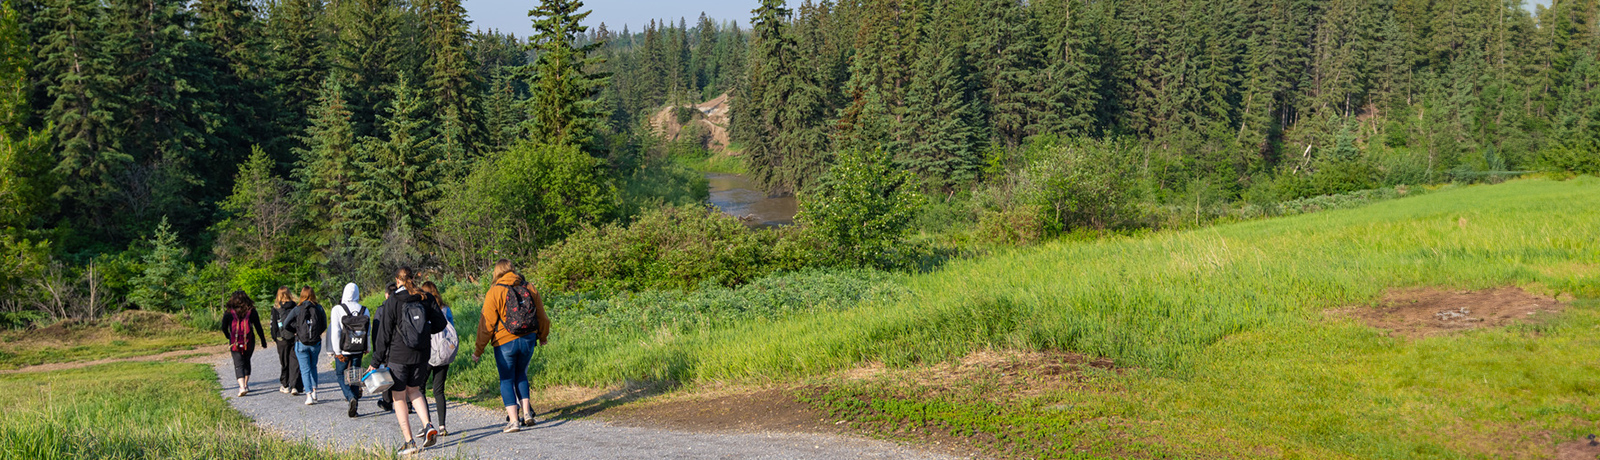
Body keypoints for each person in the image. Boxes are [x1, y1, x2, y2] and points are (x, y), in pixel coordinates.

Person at [370, 268, 446, 455]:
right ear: (413, 278)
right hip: (421, 354)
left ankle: (409, 441)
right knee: (415, 390)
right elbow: (441, 323)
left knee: (399, 396)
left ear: (398, 281)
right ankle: (428, 425)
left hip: (398, 355)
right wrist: (423, 333)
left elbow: (384, 334)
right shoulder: (426, 298)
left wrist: (376, 360)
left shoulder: (393, 301)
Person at [471, 259, 549, 433]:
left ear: (497, 272)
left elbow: (487, 324)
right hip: (529, 338)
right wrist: (543, 336)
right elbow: (542, 316)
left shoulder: (494, 291)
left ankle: (514, 421)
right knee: (521, 374)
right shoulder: (529, 287)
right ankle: (527, 413)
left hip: (505, 341)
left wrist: (478, 350)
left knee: (506, 379)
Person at [418, 281, 456, 436]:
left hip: (428, 353)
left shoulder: (423, 308)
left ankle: (428, 424)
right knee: (439, 390)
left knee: (420, 389)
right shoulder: (446, 309)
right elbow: (452, 330)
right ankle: (442, 426)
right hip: (444, 353)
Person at [327, 282, 369, 418]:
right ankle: (355, 407)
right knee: (356, 377)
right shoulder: (364, 309)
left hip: (344, 350)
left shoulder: (337, 309)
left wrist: (337, 351)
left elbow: (336, 332)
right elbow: (367, 332)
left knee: (340, 375)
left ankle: (350, 397)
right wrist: (367, 347)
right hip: (358, 348)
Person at [284, 286, 328, 406]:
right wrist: (317, 333)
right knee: (313, 366)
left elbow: (286, 324)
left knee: (305, 369)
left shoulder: (297, 309)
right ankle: (315, 392)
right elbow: (324, 324)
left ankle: (308, 395)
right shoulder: (319, 308)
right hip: (315, 343)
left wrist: (296, 331)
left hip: (301, 342)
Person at [220, 291, 267, 397]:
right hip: (249, 341)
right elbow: (258, 326)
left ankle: (241, 387)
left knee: (238, 364)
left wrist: (228, 336)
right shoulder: (252, 311)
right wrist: (263, 340)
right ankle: (246, 385)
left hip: (234, 342)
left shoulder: (229, 312)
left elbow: (223, 326)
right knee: (246, 361)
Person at [270, 286, 303, 395]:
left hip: (282, 338)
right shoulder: (295, 306)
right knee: (294, 362)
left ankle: (285, 385)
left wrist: (275, 337)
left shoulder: (276, 308)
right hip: (294, 337)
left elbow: (273, 325)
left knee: (284, 362)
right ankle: (294, 386)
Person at [376, 282, 397, 413]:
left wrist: (377, 350)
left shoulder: (381, 309)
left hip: (385, 346)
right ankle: (408, 403)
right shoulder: (402, 306)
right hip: (398, 346)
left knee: (386, 373)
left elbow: (377, 331)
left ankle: (387, 401)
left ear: (386, 295)